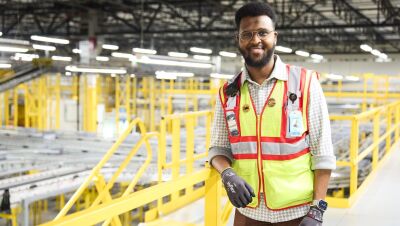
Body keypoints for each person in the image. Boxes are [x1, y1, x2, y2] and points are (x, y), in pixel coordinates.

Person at [208, 2, 336, 226]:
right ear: (238, 39)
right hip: (248, 211)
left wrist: (317, 208)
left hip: (296, 212)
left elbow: (322, 150)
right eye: (246, 34)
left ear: (274, 37)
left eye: (262, 33)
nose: (255, 40)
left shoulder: (304, 83)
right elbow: (218, 148)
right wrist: (227, 173)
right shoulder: (228, 92)